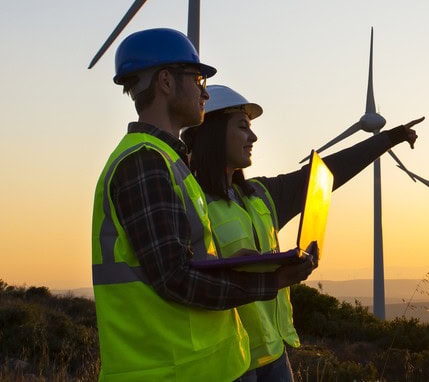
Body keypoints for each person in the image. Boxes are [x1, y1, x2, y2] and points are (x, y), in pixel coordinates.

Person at [91, 28, 317, 381]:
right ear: (166, 82)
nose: (205, 92)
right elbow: (175, 278)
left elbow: (181, 260)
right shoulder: (144, 163)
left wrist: (232, 265)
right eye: (198, 79)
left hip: (201, 366)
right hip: (170, 371)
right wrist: (270, 281)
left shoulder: (167, 160)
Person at [183, 84, 423, 381]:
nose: (253, 137)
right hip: (227, 362)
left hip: (274, 354)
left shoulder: (261, 195)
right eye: (243, 127)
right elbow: (185, 281)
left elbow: (327, 173)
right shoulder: (187, 203)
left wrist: (389, 138)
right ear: (214, 134)